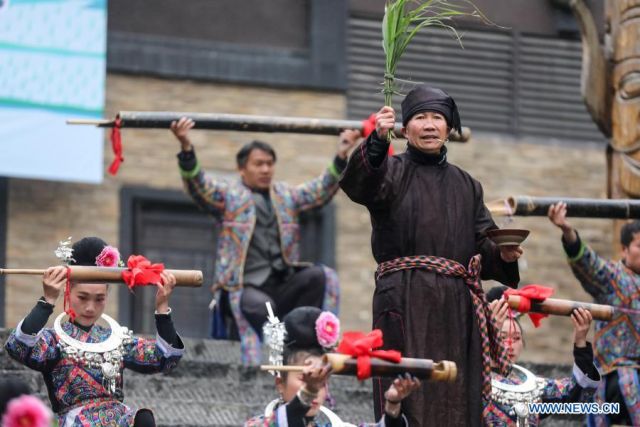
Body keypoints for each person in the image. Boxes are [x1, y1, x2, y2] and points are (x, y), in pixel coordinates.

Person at [339, 85, 523, 426]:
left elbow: (484, 244)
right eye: (420, 118)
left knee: (457, 393)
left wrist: (506, 255)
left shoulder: (467, 185)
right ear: (405, 128)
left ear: (449, 128)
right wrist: (377, 141)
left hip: (457, 308)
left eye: (437, 118)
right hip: (404, 299)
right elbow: (358, 184)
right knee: (408, 391)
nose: (429, 125)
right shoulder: (391, 171)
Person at [171, 117, 359, 365]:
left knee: (320, 277)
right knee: (265, 308)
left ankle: (314, 344)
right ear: (242, 169)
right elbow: (198, 185)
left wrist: (342, 153)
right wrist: (186, 147)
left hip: (281, 283)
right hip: (243, 287)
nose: (265, 169)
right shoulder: (230, 197)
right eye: (258, 164)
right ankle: (276, 360)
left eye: (270, 164)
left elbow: (319, 190)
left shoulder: (285, 196)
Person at [4, 237, 184, 427]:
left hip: (120, 420)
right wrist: (47, 300)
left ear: (107, 296)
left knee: (143, 419)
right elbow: (19, 347)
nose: (90, 307)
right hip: (77, 422)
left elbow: (165, 358)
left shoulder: (117, 340)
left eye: (99, 299)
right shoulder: (54, 340)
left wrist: (162, 307)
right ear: (68, 291)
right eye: (83, 297)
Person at [246, 306, 420, 427]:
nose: (314, 385)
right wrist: (309, 391)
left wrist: (393, 404)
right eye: (304, 378)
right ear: (280, 384)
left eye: (320, 380)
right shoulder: (258, 424)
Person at [548, 202, 640, 426]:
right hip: (615, 377)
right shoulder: (614, 277)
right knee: (627, 382)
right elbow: (587, 263)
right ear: (625, 250)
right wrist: (568, 231)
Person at [485, 286, 600, 426]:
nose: (509, 345)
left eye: (516, 338)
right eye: (502, 337)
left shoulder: (531, 387)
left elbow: (578, 393)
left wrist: (581, 340)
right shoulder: (471, 378)